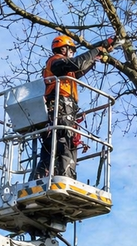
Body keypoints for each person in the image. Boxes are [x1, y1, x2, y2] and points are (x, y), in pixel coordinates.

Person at [32, 34, 113, 180]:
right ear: (63, 49)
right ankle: (63, 177)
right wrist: (96, 50)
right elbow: (76, 64)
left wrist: (97, 55)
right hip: (59, 107)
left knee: (59, 144)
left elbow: (79, 69)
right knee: (64, 143)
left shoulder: (65, 69)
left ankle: (44, 178)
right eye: (71, 51)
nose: (72, 54)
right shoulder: (55, 61)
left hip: (65, 108)